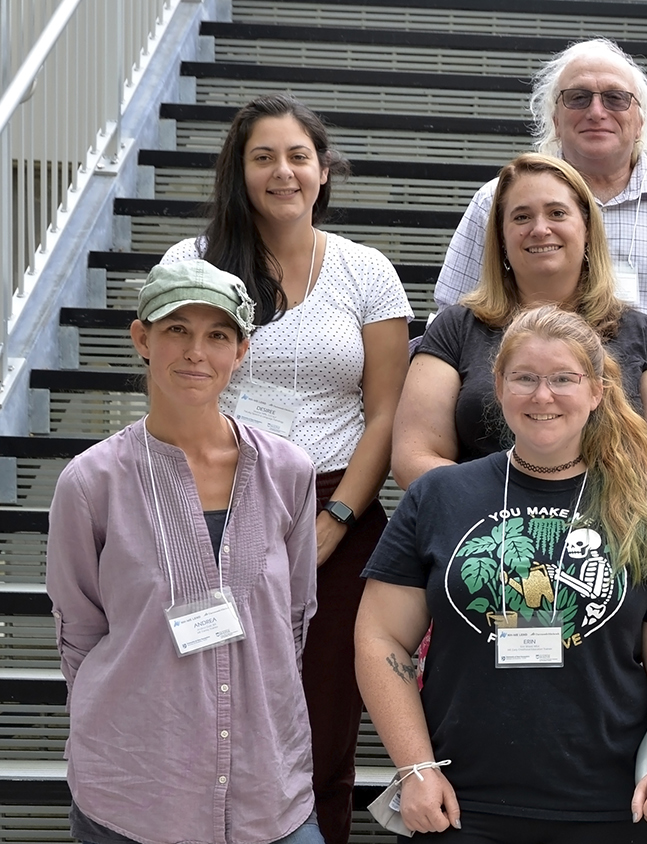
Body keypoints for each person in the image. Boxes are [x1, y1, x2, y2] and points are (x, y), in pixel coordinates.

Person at [355, 305, 647, 842]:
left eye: (563, 379)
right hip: (458, 805)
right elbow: (380, 635)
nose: (542, 396)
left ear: (597, 390)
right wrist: (414, 768)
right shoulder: (440, 494)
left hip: (611, 809)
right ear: (498, 386)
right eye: (524, 378)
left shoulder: (644, 504)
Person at [161, 93, 412, 844]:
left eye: (298, 156)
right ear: (238, 172)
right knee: (214, 707)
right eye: (263, 156)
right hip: (213, 501)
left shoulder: (366, 272)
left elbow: (387, 414)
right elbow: (177, 388)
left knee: (322, 719)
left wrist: (336, 520)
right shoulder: (192, 263)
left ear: (324, 169)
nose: (283, 172)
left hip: (340, 505)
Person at [48, 260, 322, 844]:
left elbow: (293, 617)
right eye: (177, 329)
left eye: (217, 335)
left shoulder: (288, 473)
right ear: (142, 338)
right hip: (137, 792)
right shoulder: (90, 482)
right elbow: (79, 632)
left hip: (266, 793)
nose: (196, 351)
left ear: (241, 351)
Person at [433, 38, 647, 454]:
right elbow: (449, 330)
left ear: (641, 120)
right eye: (578, 98)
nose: (596, 111)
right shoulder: (496, 201)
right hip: (500, 448)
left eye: (616, 99)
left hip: (636, 465)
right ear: (555, 116)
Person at [393, 153, 647, 489]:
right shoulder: (456, 329)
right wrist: (503, 505)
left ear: (587, 228)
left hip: (607, 528)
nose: (539, 229)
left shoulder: (643, 333)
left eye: (557, 213)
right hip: (480, 530)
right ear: (502, 239)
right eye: (521, 217)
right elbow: (413, 458)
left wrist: (582, 504)